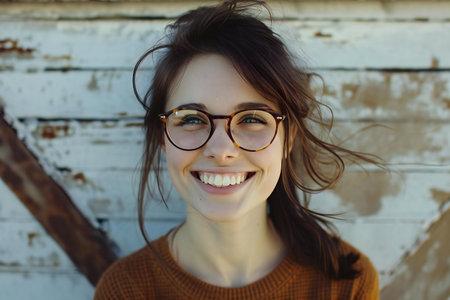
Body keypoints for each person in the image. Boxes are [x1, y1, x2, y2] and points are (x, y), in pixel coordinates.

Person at [94, 0, 380, 299]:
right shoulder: (125, 291)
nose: (221, 150)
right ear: (162, 137)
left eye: (252, 119)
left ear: (289, 137)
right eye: (191, 119)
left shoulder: (345, 283)